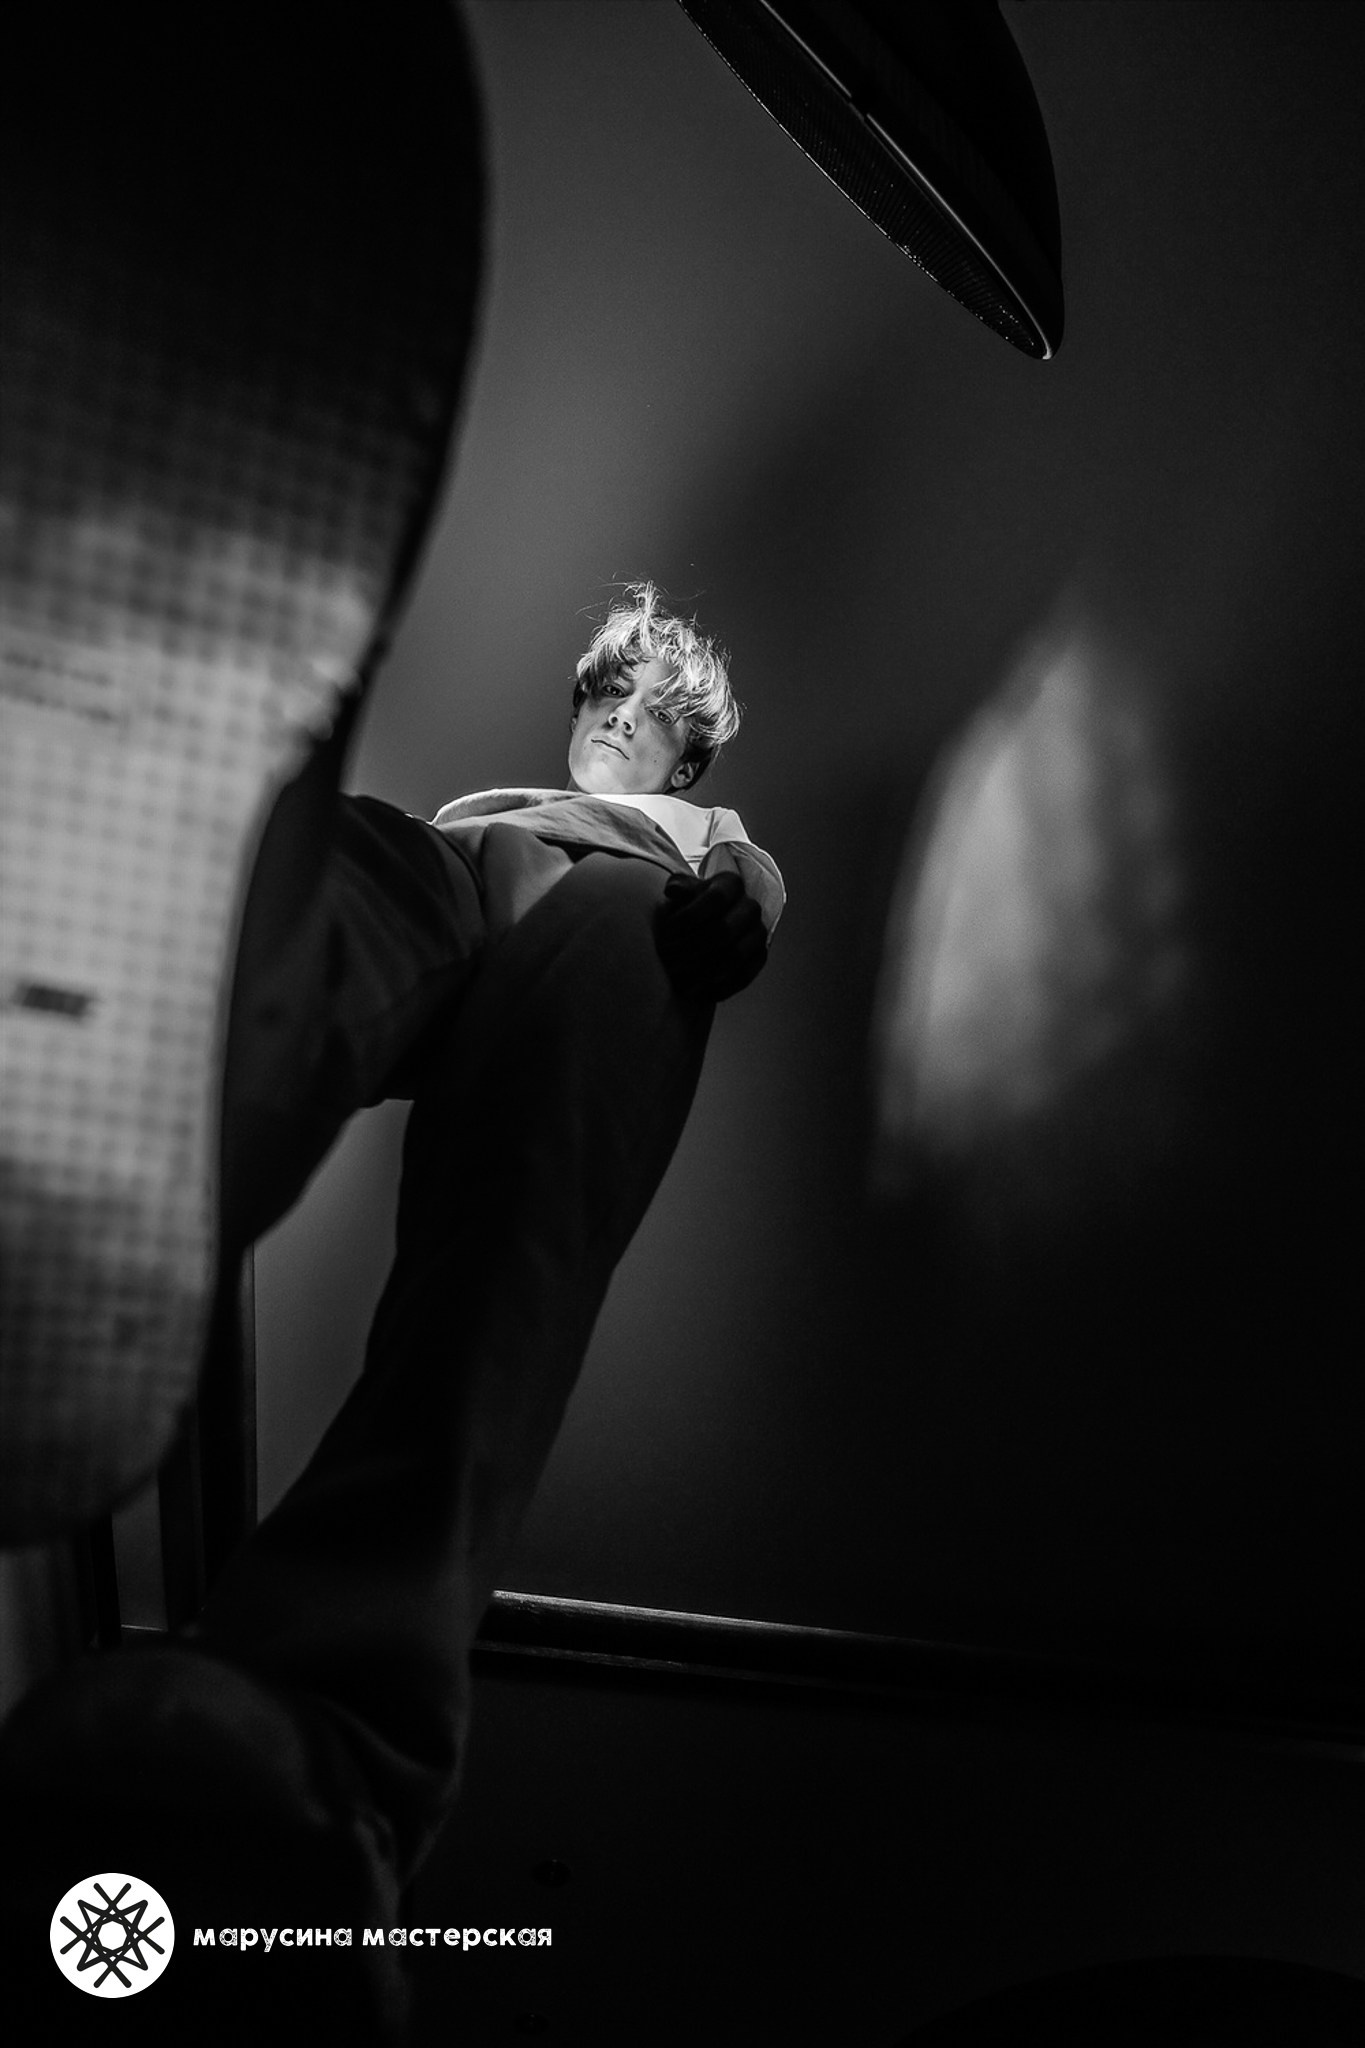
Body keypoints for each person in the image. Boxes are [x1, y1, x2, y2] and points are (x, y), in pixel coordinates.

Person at [1, 583, 782, 2042]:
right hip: (451, 877)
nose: (617, 718)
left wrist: (732, 909)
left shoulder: (697, 839)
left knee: (530, 1198)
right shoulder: (488, 809)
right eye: (602, 697)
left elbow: (746, 900)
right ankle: (60, 1149)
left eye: (650, 714)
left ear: (686, 760)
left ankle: (325, 1730)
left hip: (614, 932)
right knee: (334, 872)